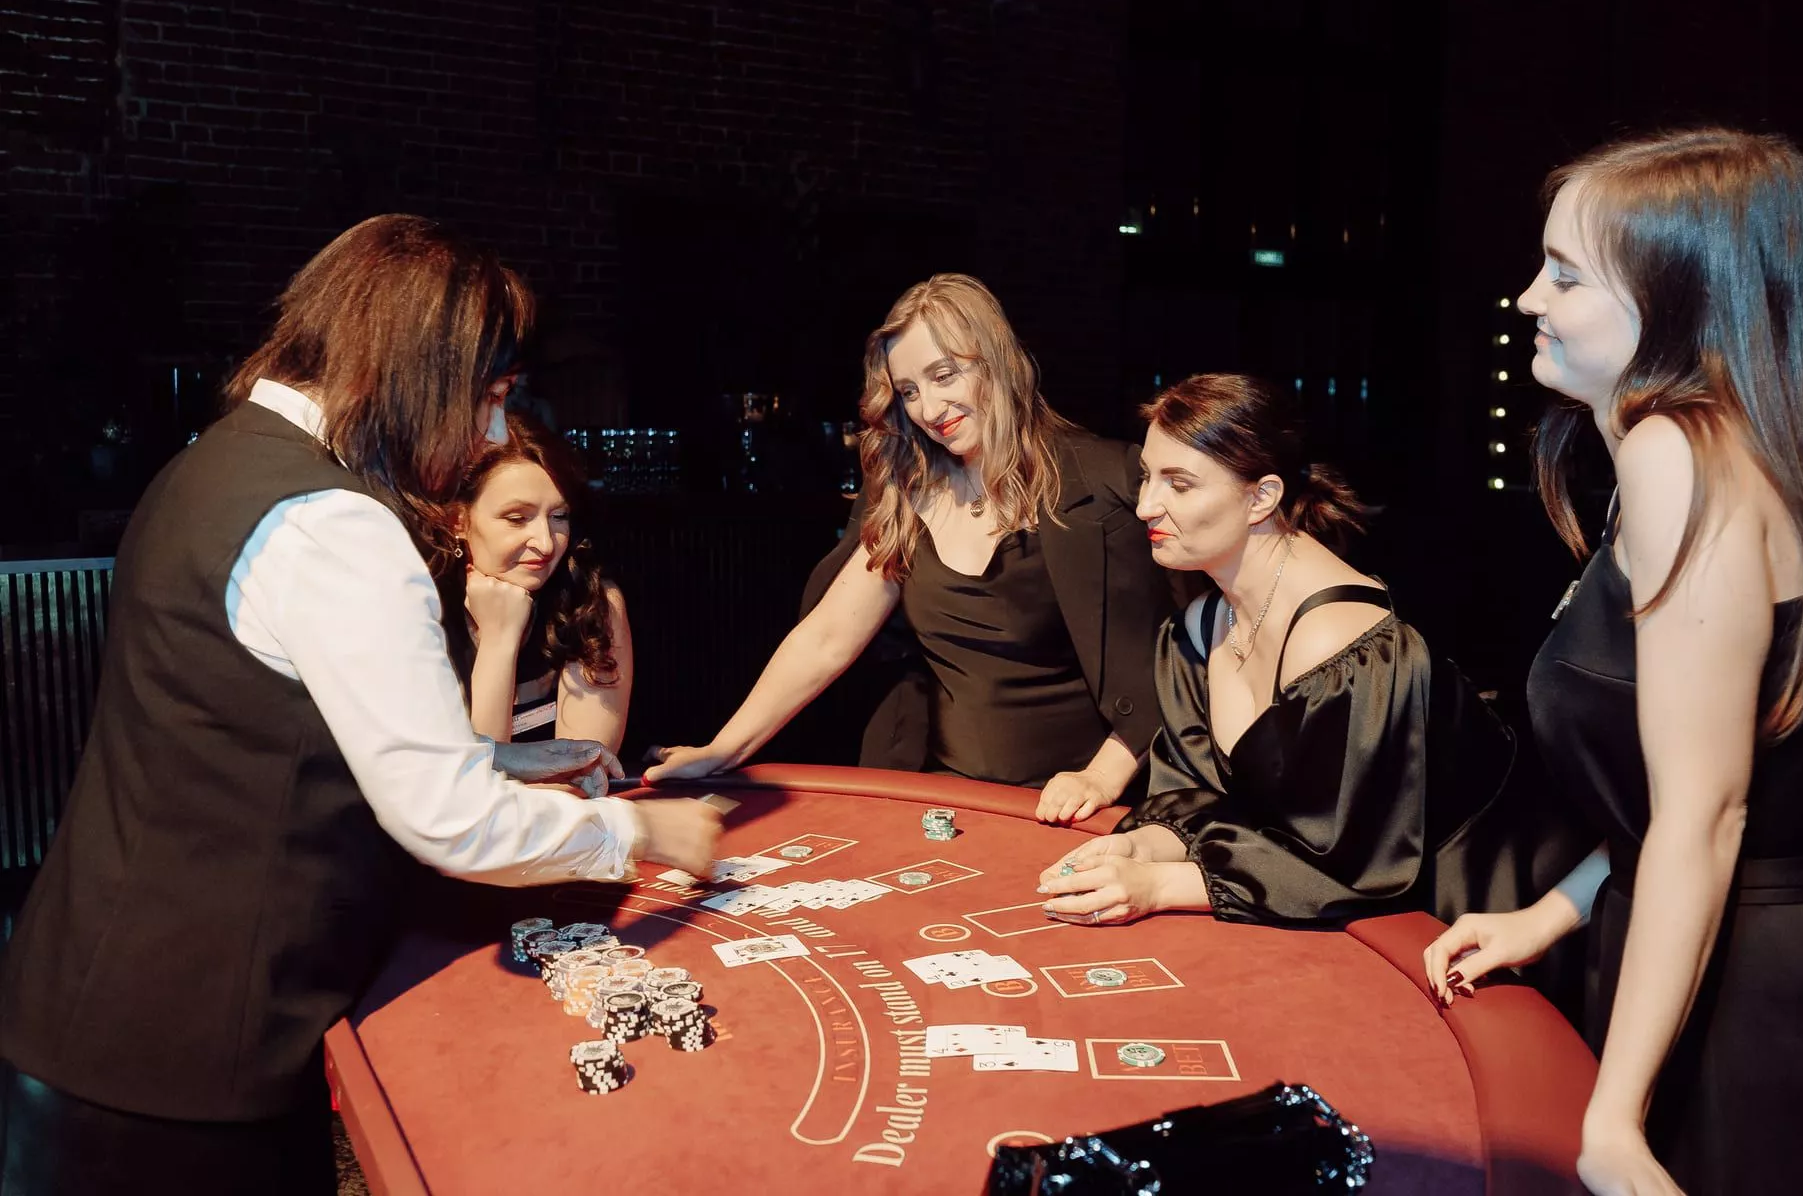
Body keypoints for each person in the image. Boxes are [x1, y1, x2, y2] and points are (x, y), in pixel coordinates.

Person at [0, 215, 720, 1196]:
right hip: (185, 1073)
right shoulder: (337, 524)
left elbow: (273, 732)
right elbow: (449, 823)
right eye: (492, 396)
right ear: (420, 368)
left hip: (86, 1021)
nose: (497, 431)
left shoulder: (212, 463)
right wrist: (636, 828)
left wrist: (515, 761)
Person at [1422, 129, 1803, 1195]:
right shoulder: (1736, 446)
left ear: (1676, 299)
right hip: (1763, 953)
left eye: (1562, 274)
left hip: (1749, 995)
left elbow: (1707, 814)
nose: (1526, 299)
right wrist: (1547, 915)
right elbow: (1700, 796)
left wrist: (1614, 1117)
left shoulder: (1676, 455)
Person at [1037, 373, 1573, 928]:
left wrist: (1159, 885)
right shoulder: (1200, 626)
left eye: (1180, 484)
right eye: (1148, 477)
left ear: (1262, 496)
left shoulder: (1340, 642)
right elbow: (1203, 798)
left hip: (1481, 903)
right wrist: (1142, 849)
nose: (1146, 504)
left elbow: (1353, 861)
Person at [646, 274, 1172, 822]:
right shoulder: (906, 489)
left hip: (1082, 802)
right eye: (909, 391)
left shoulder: (1104, 482)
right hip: (949, 797)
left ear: (997, 363)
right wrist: (722, 750)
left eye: (944, 376)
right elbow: (826, 639)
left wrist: (1101, 776)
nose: (929, 408)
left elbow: (1177, 654)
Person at [442, 412, 633, 748]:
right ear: (458, 521)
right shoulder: (423, 605)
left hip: (556, 801)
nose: (545, 543)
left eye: (559, 517)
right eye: (517, 519)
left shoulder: (586, 599)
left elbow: (582, 771)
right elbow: (473, 782)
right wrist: (500, 641)